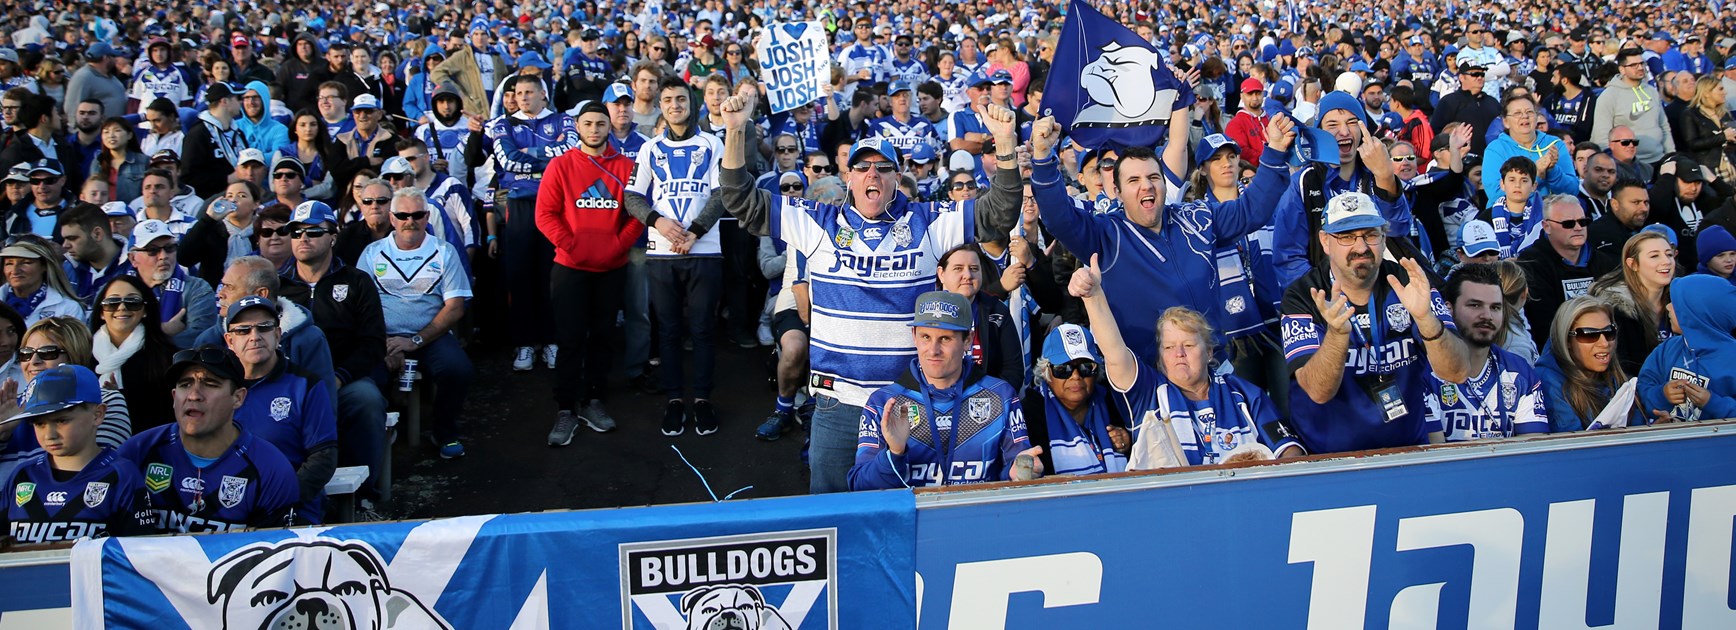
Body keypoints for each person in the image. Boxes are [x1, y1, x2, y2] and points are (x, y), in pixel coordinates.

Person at [716, 87, 1023, 493]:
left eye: (883, 167)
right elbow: (742, 201)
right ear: (848, 176)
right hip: (837, 403)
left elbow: (998, 212)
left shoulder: (928, 221)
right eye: (863, 167)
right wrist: (735, 131)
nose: (872, 174)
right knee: (832, 517)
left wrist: (1004, 143)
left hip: (907, 403)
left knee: (902, 515)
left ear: (897, 177)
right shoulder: (816, 220)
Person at [1035, 109, 1297, 366]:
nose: (1146, 186)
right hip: (1149, 381)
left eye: (1153, 177)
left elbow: (1250, 211)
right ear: (1117, 190)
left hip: (1213, 367)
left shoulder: (1197, 218)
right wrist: (1044, 157)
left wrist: (1274, 150)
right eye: (1134, 180)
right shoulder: (1105, 234)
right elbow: (1059, 216)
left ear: (1163, 184)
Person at [1281, 192, 1472, 453]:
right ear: (1325, 241)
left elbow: (1458, 372)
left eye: (1370, 235)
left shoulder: (1409, 282)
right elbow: (1317, 392)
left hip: (1406, 450)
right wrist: (1337, 335)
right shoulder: (1304, 295)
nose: (1361, 247)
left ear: (1384, 239)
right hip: (1330, 459)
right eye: (1346, 236)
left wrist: (1427, 320)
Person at [1074, 254, 1300, 465]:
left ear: (1210, 353)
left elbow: (1289, 451)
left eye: (1189, 345)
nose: (1179, 353)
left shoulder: (1245, 394)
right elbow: (1114, 354)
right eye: (1169, 347)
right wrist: (1093, 298)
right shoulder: (1148, 393)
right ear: (1160, 358)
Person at [846, 291, 1034, 489]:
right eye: (926, 337)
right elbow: (861, 486)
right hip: (911, 519)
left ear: (968, 340)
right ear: (914, 337)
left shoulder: (1001, 396)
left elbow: (1016, 469)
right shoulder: (883, 403)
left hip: (979, 516)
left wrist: (1019, 472)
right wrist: (894, 452)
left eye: (945, 339)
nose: (933, 350)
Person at [625, 76, 727, 435]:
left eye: (680, 99)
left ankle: (701, 399)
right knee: (667, 331)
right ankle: (673, 400)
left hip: (705, 250)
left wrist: (695, 231)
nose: (674, 105)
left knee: (701, 329)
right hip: (662, 253)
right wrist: (660, 223)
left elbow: (722, 193)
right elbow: (632, 197)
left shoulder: (712, 143)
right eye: (667, 99)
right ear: (661, 106)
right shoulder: (649, 149)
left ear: (691, 103)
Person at [536, 101, 639, 444]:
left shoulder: (626, 166)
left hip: (611, 268)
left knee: (602, 337)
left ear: (610, 127)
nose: (594, 129)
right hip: (570, 268)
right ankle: (565, 408)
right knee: (569, 339)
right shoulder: (560, 166)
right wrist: (573, 246)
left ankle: (594, 400)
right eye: (588, 123)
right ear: (577, 127)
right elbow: (546, 215)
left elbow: (637, 214)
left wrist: (616, 246)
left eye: (600, 124)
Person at [117, 345, 298, 533]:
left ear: (238, 398)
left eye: (211, 384)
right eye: (185, 385)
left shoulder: (270, 469)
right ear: (173, 397)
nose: (194, 395)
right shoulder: (137, 453)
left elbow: (277, 554)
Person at [358, 188, 474, 459]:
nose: (410, 220)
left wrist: (414, 341)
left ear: (426, 217)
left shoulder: (444, 251)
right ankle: (379, 436)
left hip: (430, 337)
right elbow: (361, 306)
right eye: (403, 215)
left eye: (418, 214)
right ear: (392, 218)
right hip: (382, 338)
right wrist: (384, 343)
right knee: (365, 379)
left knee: (458, 370)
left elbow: (455, 307)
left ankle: (445, 433)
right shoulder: (372, 253)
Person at [1, 365, 152, 547]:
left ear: (98, 415)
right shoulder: (22, 475)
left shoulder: (122, 476)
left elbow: (139, 556)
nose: (50, 434)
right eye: (39, 423)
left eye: (61, 420)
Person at [1275, 93, 1410, 288]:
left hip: (1383, 290)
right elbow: (1289, 258)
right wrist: (1323, 296)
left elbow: (1398, 229)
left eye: (1352, 122)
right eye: (1332, 125)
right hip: (1329, 299)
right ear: (1319, 132)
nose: (1344, 131)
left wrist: (1385, 177)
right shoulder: (1304, 182)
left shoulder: (1377, 172)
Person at [221, 296, 335, 525]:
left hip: (289, 510)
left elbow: (323, 458)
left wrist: (279, 499)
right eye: (243, 330)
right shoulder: (216, 388)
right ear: (229, 340)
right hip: (224, 507)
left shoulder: (306, 384)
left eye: (264, 327)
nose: (254, 337)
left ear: (277, 334)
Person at [489, 75, 575, 373]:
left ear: (543, 95)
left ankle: (552, 340)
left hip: (556, 203)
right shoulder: (504, 124)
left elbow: (569, 154)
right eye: (519, 93)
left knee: (553, 273)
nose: (523, 98)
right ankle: (525, 342)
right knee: (520, 273)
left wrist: (533, 154)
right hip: (520, 203)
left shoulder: (563, 121)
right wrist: (547, 157)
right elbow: (508, 160)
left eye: (529, 92)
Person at [1423, 264, 1550, 442]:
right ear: (1448, 309)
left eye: (1495, 307)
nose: (1487, 315)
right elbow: (1435, 457)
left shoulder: (1520, 372)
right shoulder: (1424, 372)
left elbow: (1532, 450)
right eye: (1475, 305)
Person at [1018, 323, 1130, 475]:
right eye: (1063, 369)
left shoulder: (1114, 401)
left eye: (1086, 367)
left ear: (1097, 371)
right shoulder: (1029, 413)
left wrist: (1127, 441)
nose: (1075, 376)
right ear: (1046, 372)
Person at [1520, 195, 1619, 346]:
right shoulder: (1531, 264)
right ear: (1547, 227)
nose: (1578, 227)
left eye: (1583, 222)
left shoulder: (1604, 263)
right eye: (1568, 223)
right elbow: (1543, 323)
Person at [1639, 275, 1736, 423]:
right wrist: (1661, 395)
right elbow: (1641, 389)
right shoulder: (1667, 348)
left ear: (1697, 314)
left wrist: (1713, 403)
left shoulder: (1731, 358)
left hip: (1719, 444)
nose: (1667, 307)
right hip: (1669, 443)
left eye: (1676, 304)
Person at [1536, 297, 1641, 432]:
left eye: (1609, 332)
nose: (1604, 343)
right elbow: (1572, 445)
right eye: (1589, 335)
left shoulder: (1617, 380)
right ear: (1566, 340)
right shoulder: (1548, 382)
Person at [90, 274, 176, 433]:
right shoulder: (83, 355)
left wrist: (120, 398)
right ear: (102, 312)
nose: (122, 307)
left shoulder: (168, 357)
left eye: (132, 302)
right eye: (112, 302)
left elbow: (168, 417)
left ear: (145, 311)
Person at [1590, 231, 1677, 376]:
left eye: (1669, 254)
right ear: (1633, 264)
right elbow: (1624, 369)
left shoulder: (1681, 302)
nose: (1666, 261)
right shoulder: (1615, 311)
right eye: (1655, 256)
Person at [934, 244, 1022, 385]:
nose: (968, 275)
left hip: (987, 399)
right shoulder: (927, 311)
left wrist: (992, 400)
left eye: (974, 269)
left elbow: (1013, 370)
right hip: (938, 399)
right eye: (958, 269)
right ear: (941, 274)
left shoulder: (996, 310)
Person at [126, 219, 218, 348]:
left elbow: (202, 338)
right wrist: (162, 331)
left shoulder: (198, 288)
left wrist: (145, 337)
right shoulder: (117, 291)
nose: (163, 256)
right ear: (133, 258)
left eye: (169, 248)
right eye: (153, 250)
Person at [1482, 94, 1579, 202]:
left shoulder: (1555, 144)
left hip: (1553, 214)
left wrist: (1552, 170)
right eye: (1517, 113)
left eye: (1529, 112)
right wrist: (1535, 173)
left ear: (1537, 117)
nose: (1524, 116)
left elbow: (1573, 191)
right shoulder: (1496, 149)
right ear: (1506, 122)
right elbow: (1495, 195)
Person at [1593, 49, 1675, 170]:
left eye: (1642, 63)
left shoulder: (1651, 91)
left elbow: (1664, 126)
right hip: (1629, 165)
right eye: (1633, 65)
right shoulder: (1609, 96)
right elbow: (1601, 135)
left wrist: (1671, 155)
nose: (1640, 68)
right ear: (1622, 69)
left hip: (1659, 159)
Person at [0, 236, 86, 325]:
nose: (15, 271)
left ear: (44, 266)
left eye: (26, 262)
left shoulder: (68, 308)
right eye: (9, 263)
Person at [180, 82, 245, 198]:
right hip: (209, 202)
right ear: (224, 101)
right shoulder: (197, 134)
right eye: (238, 98)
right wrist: (226, 179)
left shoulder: (238, 133)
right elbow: (188, 176)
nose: (242, 102)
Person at [59, 202, 129, 305]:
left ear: (97, 234)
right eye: (64, 239)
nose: (65, 245)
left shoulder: (135, 266)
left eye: (72, 238)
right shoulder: (66, 269)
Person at [1588, 179, 1652, 256]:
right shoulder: (1599, 233)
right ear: (1615, 204)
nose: (1644, 208)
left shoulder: (1651, 229)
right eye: (1636, 202)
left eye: (1646, 202)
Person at [91, 117, 148, 203]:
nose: (111, 135)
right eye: (106, 132)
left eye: (117, 130)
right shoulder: (98, 161)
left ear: (129, 135)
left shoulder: (143, 161)